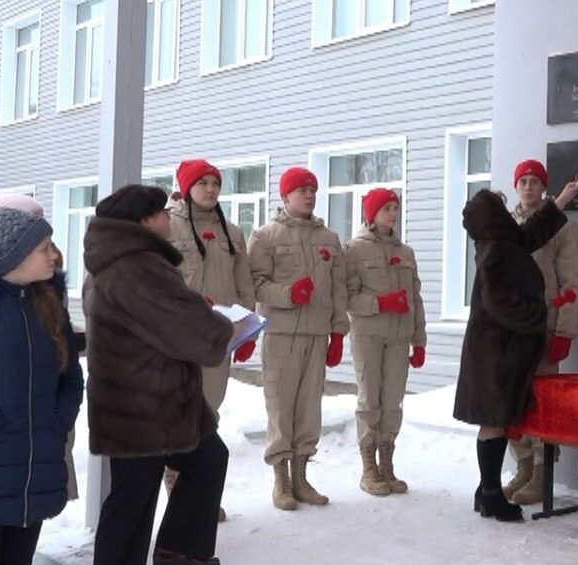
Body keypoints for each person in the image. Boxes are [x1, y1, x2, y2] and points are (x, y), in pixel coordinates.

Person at [82, 185, 236, 565]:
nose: (169, 218)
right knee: (133, 500)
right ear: (144, 220)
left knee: (207, 458)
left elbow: (158, 319)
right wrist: (223, 328)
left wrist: (189, 312)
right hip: (143, 405)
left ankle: (178, 549)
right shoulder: (139, 267)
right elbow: (192, 329)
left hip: (153, 400)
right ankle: (162, 554)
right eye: (163, 212)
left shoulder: (117, 262)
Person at [0, 195, 83, 565]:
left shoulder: (48, 307)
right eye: (45, 248)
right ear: (16, 255)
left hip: (34, 471)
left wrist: (57, 421)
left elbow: (71, 376)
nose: (55, 256)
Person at [453, 181, 578, 523]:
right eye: (499, 202)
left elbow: (532, 234)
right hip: (496, 354)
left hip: (496, 352)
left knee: (496, 421)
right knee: (493, 423)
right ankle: (492, 496)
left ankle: (486, 491)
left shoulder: (503, 242)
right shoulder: (497, 251)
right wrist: (541, 312)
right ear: (493, 216)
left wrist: (561, 201)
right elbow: (501, 304)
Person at [249, 167, 349, 511]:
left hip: (316, 333)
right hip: (280, 333)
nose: (309, 195)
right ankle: (281, 481)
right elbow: (256, 284)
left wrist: (338, 331)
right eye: (302, 190)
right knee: (280, 406)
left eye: (313, 190)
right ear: (285, 195)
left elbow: (339, 289)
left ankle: (301, 478)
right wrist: (288, 293)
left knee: (309, 409)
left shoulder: (329, 239)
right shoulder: (265, 236)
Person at [166, 159, 257, 521]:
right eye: (202, 183)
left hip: (219, 336)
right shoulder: (167, 226)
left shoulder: (232, 232)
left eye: (215, 183)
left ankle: (198, 487)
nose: (210, 189)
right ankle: (176, 486)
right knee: (179, 410)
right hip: (178, 337)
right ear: (187, 187)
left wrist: (247, 326)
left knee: (209, 410)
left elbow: (244, 284)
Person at [0, 192, 85, 505]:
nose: (52, 254)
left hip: (43, 432)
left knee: (33, 513)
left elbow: (67, 367)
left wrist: (59, 417)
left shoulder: (49, 289)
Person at [504, 160, 578, 505]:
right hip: (510, 327)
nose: (528, 187)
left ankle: (541, 469)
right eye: (522, 180)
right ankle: (522, 464)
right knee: (511, 398)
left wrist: (565, 330)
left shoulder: (561, 228)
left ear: (544, 186)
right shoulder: (504, 224)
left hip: (544, 325)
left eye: (535, 181)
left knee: (542, 400)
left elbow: (572, 280)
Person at [343, 188, 426, 497]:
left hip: (399, 337)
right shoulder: (353, 250)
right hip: (368, 337)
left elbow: (415, 298)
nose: (393, 213)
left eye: (395, 207)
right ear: (372, 213)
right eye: (386, 208)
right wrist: (381, 303)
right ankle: (369, 468)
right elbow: (348, 298)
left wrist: (419, 340)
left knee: (392, 403)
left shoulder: (405, 253)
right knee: (370, 401)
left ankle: (387, 464)